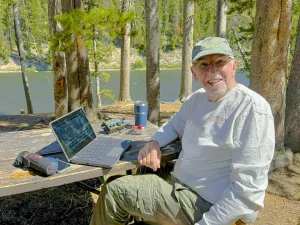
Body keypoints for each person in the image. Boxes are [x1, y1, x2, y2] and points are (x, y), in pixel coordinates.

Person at [90, 37, 275, 225]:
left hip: (208, 205)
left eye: (220, 62)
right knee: (139, 171)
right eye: (204, 64)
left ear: (233, 65)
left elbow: (246, 195)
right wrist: (154, 143)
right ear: (194, 73)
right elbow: (173, 126)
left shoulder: (252, 109)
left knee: (114, 192)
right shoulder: (197, 99)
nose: (212, 70)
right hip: (182, 184)